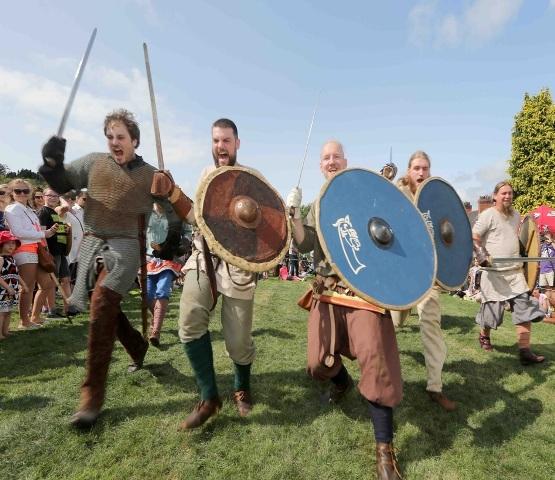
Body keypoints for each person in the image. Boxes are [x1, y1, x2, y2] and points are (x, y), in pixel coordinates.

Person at [39, 108, 192, 428]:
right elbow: (63, 181)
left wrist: (170, 196)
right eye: (110, 136)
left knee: (101, 303)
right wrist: (52, 164)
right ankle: (136, 346)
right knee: (107, 308)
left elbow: (177, 214)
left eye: (121, 137)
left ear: (134, 140)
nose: (114, 142)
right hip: (94, 247)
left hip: (126, 251)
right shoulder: (95, 163)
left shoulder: (151, 174)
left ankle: (91, 399)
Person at [287, 140, 403, 480]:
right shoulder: (318, 204)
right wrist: (293, 216)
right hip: (327, 289)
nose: (331, 161)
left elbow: (387, 231)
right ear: (320, 166)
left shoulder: (362, 193)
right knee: (315, 362)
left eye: (336, 156)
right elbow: (305, 241)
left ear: (346, 161)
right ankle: (341, 382)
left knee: (375, 359)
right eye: (326, 158)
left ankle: (385, 453)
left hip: (362, 290)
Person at [178, 118, 257, 429]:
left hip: (239, 266)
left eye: (226, 140)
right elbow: (195, 218)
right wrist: (172, 194)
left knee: (238, 343)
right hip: (205, 258)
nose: (220, 147)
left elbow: (265, 227)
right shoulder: (206, 176)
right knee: (189, 320)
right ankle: (209, 396)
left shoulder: (251, 180)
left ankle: (242, 386)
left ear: (237, 143)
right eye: (216, 141)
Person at [389, 151, 457, 412]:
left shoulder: (435, 199)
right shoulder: (397, 194)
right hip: (402, 273)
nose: (420, 172)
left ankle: (435, 386)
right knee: (394, 321)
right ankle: (386, 374)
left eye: (425, 168)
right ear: (409, 170)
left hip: (428, 276)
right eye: (416, 167)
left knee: (431, 326)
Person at [473, 180, 545, 365]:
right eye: (503, 193)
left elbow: (521, 241)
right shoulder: (488, 215)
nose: (507, 196)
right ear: (495, 196)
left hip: (515, 272)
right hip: (494, 273)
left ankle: (525, 351)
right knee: (491, 314)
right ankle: (484, 336)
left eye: (510, 193)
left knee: (524, 309)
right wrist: (482, 256)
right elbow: (474, 237)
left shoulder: (516, 215)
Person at [4, 179, 58, 329]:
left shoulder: (29, 210)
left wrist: (46, 234)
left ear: (30, 193)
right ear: (12, 193)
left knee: (47, 284)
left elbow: (35, 231)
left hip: (36, 249)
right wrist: (43, 233)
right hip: (24, 250)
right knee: (27, 287)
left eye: (25, 191)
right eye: (18, 191)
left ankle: (35, 316)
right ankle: (24, 321)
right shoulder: (12, 209)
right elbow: (18, 232)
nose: (22, 194)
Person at [146, 201, 183, 346]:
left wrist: (184, 243)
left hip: (169, 259)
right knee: (148, 295)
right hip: (149, 259)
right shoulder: (146, 213)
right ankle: (157, 315)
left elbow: (186, 231)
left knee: (162, 291)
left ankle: (155, 332)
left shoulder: (176, 215)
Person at [37, 187, 72, 315]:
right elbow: (41, 232)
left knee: (66, 279)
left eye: (55, 196)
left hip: (61, 252)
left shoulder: (56, 213)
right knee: (52, 281)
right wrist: (46, 252)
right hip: (51, 252)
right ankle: (52, 310)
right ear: (44, 197)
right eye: (50, 195)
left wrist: (65, 231)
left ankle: (69, 308)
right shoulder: (43, 212)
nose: (52, 198)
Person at [0, 231, 28, 339]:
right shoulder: (1, 259)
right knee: (2, 312)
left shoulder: (12, 258)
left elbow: (16, 275)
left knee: (8, 311)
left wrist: (24, 285)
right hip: (3, 290)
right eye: (8, 243)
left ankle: (5, 331)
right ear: (2, 244)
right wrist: (7, 287)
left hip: (12, 290)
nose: (12, 245)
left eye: (13, 243)